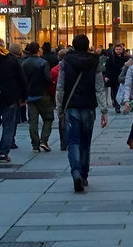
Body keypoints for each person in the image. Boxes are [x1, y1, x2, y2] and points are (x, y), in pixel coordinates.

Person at [55, 33, 108, 193]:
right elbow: (99, 86)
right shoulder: (94, 62)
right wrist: (104, 110)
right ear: (87, 45)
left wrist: (59, 108)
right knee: (86, 143)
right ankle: (84, 175)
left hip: (71, 106)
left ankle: (76, 172)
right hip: (89, 107)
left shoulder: (65, 61)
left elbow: (60, 86)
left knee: (73, 142)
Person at [0, 38, 27, 163]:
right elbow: (21, 79)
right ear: (3, 46)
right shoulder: (12, 60)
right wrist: (24, 97)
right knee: (8, 126)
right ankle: (3, 154)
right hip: (10, 98)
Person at [21, 43, 54, 152]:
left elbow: (23, 80)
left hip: (30, 95)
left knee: (33, 121)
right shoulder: (43, 63)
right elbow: (47, 78)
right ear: (38, 50)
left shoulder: (24, 63)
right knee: (48, 118)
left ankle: (35, 144)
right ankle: (44, 140)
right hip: (43, 93)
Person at [50, 48, 67, 151]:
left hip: (59, 97)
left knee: (62, 121)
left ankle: (63, 142)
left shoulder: (55, 69)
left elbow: (52, 84)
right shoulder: (70, 68)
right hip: (70, 97)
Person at [103, 44, 128, 113]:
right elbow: (107, 67)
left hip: (122, 76)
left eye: (119, 49)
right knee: (114, 91)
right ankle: (116, 105)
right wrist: (106, 76)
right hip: (113, 76)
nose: (118, 51)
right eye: (117, 49)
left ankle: (119, 104)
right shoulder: (111, 58)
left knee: (121, 90)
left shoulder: (125, 58)